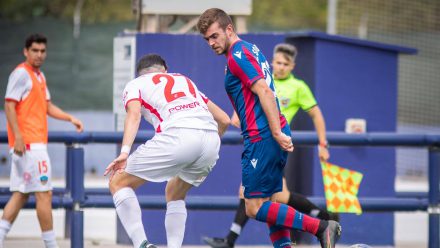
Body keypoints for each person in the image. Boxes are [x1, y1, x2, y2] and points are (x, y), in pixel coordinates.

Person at [197, 8, 341, 248]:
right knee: (272, 200)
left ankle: (322, 227)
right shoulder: (249, 49)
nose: (211, 43)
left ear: (229, 29)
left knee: (253, 206)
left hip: (261, 137)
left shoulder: (236, 55)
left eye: (214, 36)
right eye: (207, 39)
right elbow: (251, 95)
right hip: (267, 135)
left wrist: (274, 132)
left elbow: (264, 90)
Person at [104, 54, 230, 248]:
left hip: (178, 136)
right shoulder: (183, 79)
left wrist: (124, 152)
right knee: (174, 192)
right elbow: (224, 119)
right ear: (165, 69)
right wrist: (208, 143)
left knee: (117, 182)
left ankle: (142, 245)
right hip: (211, 140)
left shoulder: (135, 84)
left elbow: (134, 115)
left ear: (140, 73)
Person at [0, 33, 84, 248]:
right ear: (25, 51)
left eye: (42, 51)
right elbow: (9, 105)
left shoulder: (39, 75)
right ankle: (51, 245)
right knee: (44, 194)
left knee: (20, 195)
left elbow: (47, 106)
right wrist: (18, 136)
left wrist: (69, 118)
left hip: (32, 145)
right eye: (34, 50)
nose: (39, 55)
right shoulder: (21, 74)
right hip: (30, 145)